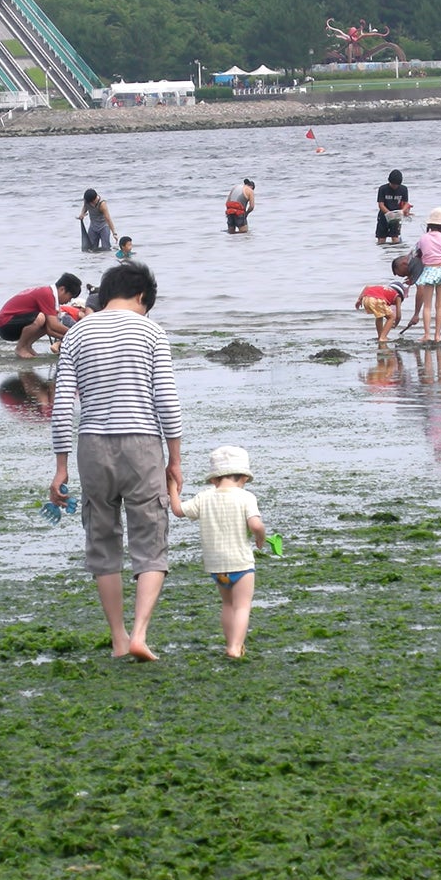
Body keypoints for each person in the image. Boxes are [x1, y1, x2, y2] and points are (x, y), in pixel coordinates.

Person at [49, 262, 182, 662]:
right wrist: (174, 459)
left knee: (102, 543)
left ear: (106, 293)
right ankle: (142, 632)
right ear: (142, 297)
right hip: (142, 443)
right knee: (150, 541)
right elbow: (167, 402)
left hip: (92, 445)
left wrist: (60, 467)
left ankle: (119, 638)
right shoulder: (152, 332)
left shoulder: (77, 334)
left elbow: (61, 407)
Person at [169, 445, 268, 659]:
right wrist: (261, 537)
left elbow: (177, 511)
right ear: (243, 477)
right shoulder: (246, 497)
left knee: (227, 604)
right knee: (242, 607)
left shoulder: (204, 497)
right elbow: (255, 525)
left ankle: (229, 642)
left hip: (216, 567)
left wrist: (171, 486)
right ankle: (235, 646)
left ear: (214, 479)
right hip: (241, 564)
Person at [0, 273, 82, 358]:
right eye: (70, 297)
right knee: (40, 318)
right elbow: (54, 325)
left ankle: (27, 346)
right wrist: (76, 333)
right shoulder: (47, 294)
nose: (69, 301)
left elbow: (49, 329)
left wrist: (67, 338)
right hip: (5, 324)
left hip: (14, 323)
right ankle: (21, 348)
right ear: (62, 289)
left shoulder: (50, 295)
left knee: (45, 320)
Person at [412, 207, 441, 344]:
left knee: (427, 306)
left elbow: (418, 256)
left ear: (429, 224)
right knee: (439, 305)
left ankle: (427, 334)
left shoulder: (423, 238)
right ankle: (438, 336)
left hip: (428, 270)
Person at [376, 169, 410, 245]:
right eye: (393, 184)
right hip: (384, 215)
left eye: (396, 185)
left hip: (397, 216)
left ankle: (395, 253)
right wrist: (388, 213)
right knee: (381, 239)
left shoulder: (403, 189)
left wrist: (402, 211)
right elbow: (380, 204)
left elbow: (406, 203)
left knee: (395, 238)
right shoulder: (383, 189)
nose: (395, 186)